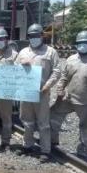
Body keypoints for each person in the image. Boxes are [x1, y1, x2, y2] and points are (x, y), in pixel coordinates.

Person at [16, 24, 60, 162]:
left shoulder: (51, 52)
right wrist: (21, 65)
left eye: (36, 36)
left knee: (43, 123)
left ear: (42, 36)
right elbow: (14, 70)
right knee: (27, 121)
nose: (34, 38)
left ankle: (45, 150)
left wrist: (48, 85)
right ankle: (28, 145)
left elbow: (57, 71)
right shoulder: (22, 52)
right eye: (31, 36)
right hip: (26, 92)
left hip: (42, 93)